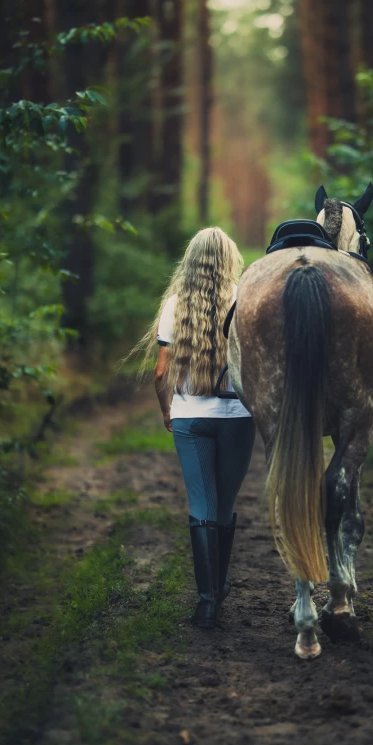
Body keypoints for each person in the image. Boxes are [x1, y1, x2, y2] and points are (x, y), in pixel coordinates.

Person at [137, 228, 255, 629]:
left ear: (190, 260)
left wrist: (167, 410)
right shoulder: (244, 297)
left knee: (201, 505)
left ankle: (207, 605)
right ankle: (218, 589)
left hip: (190, 414)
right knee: (224, 506)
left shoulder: (175, 304)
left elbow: (160, 371)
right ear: (229, 259)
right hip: (237, 416)